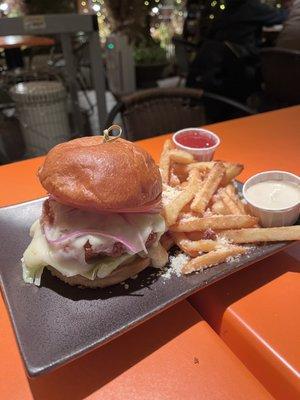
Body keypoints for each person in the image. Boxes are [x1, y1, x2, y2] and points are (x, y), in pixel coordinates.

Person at [186, 0, 287, 102]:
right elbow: (282, 17)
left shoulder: (226, 9)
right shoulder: (251, 7)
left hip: (220, 70)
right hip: (241, 67)